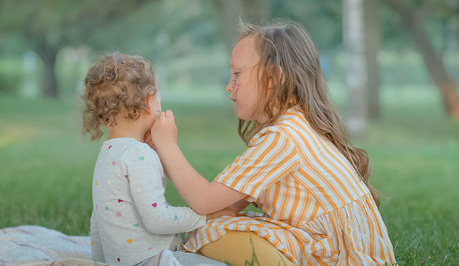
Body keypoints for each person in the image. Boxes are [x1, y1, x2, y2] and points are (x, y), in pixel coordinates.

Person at [151, 22, 396, 266]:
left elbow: (204, 199)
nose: (229, 86)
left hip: (342, 257)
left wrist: (167, 146)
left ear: (273, 78)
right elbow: (221, 208)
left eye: (237, 74)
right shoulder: (297, 125)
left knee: (211, 232)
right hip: (345, 251)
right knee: (211, 226)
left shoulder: (283, 138)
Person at [82, 52, 211, 265]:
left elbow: (98, 220)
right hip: (151, 260)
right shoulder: (139, 154)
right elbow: (157, 220)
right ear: (149, 101)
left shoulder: (108, 152)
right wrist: (202, 217)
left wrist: (101, 261)